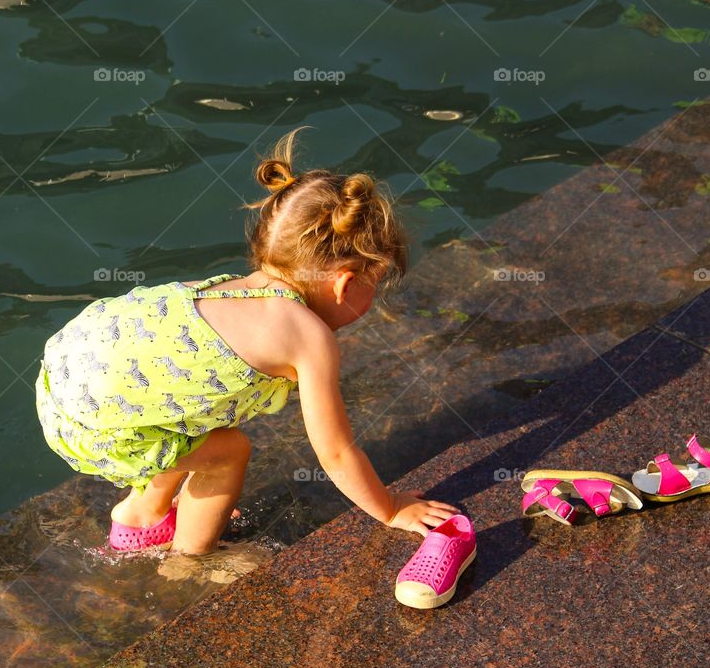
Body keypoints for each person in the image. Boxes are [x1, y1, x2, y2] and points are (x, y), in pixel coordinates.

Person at [35, 127, 460, 555]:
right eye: (377, 281)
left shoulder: (240, 289)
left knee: (203, 405)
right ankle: (189, 560)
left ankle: (142, 515)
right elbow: (335, 453)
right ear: (344, 283)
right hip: (101, 425)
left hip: (66, 380)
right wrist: (390, 508)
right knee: (229, 452)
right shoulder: (307, 337)